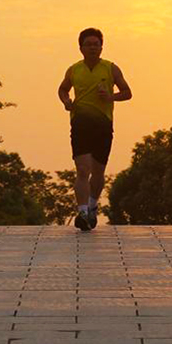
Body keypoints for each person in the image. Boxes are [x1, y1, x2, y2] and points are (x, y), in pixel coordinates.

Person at [57, 28, 132, 231]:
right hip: (80, 124)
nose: (92, 48)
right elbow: (62, 89)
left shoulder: (111, 69)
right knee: (83, 170)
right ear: (80, 48)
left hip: (103, 125)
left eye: (96, 44)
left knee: (98, 172)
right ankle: (82, 212)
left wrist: (110, 97)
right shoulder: (74, 70)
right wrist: (66, 101)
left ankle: (92, 206)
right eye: (88, 44)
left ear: (101, 47)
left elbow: (127, 92)